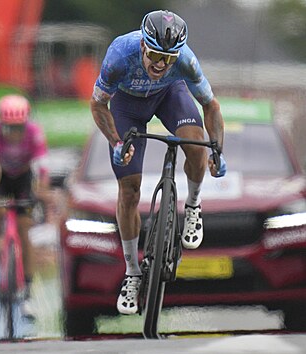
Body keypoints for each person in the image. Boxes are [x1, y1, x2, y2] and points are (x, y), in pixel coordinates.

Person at [89, 10, 227, 315]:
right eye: (154, 55)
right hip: (127, 105)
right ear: (142, 46)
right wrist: (115, 141)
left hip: (169, 96)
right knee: (129, 190)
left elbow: (210, 105)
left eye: (168, 58)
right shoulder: (119, 55)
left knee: (195, 145)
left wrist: (217, 149)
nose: (160, 65)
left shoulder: (185, 61)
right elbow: (98, 103)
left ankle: (192, 203)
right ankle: (132, 273)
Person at [0, 94, 49, 320]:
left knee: (25, 230)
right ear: (0, 124)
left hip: (22, 178)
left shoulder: (34, 132)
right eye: (8, 128)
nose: (13, 134)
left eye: (18, 128)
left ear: (26, 124)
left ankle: (28, 292)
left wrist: (42, 190)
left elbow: (42, 166)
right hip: (0, 176)